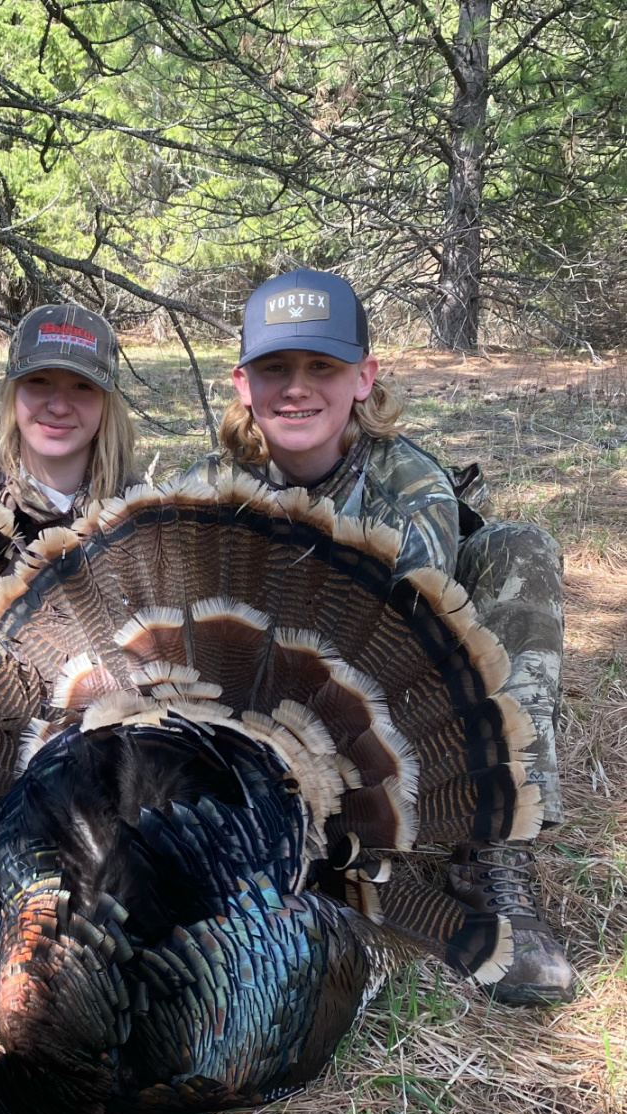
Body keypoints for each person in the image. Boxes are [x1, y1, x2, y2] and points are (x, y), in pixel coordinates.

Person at [190, 267, 573, 1007]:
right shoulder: (204, 488)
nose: (296, 388)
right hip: (257, 734)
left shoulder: (413, 487)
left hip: (394, 717)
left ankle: (493, 850)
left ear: (363, 378)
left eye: (322, 367)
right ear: (243, 383)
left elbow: (398, 659)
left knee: (519, 548)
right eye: (275, 368)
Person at [0, 303, 137, 544]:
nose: (59, 407)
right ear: (12, 392)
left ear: (107, 404)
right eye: (39, 381)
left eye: (82, 386)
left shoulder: (139, 512)